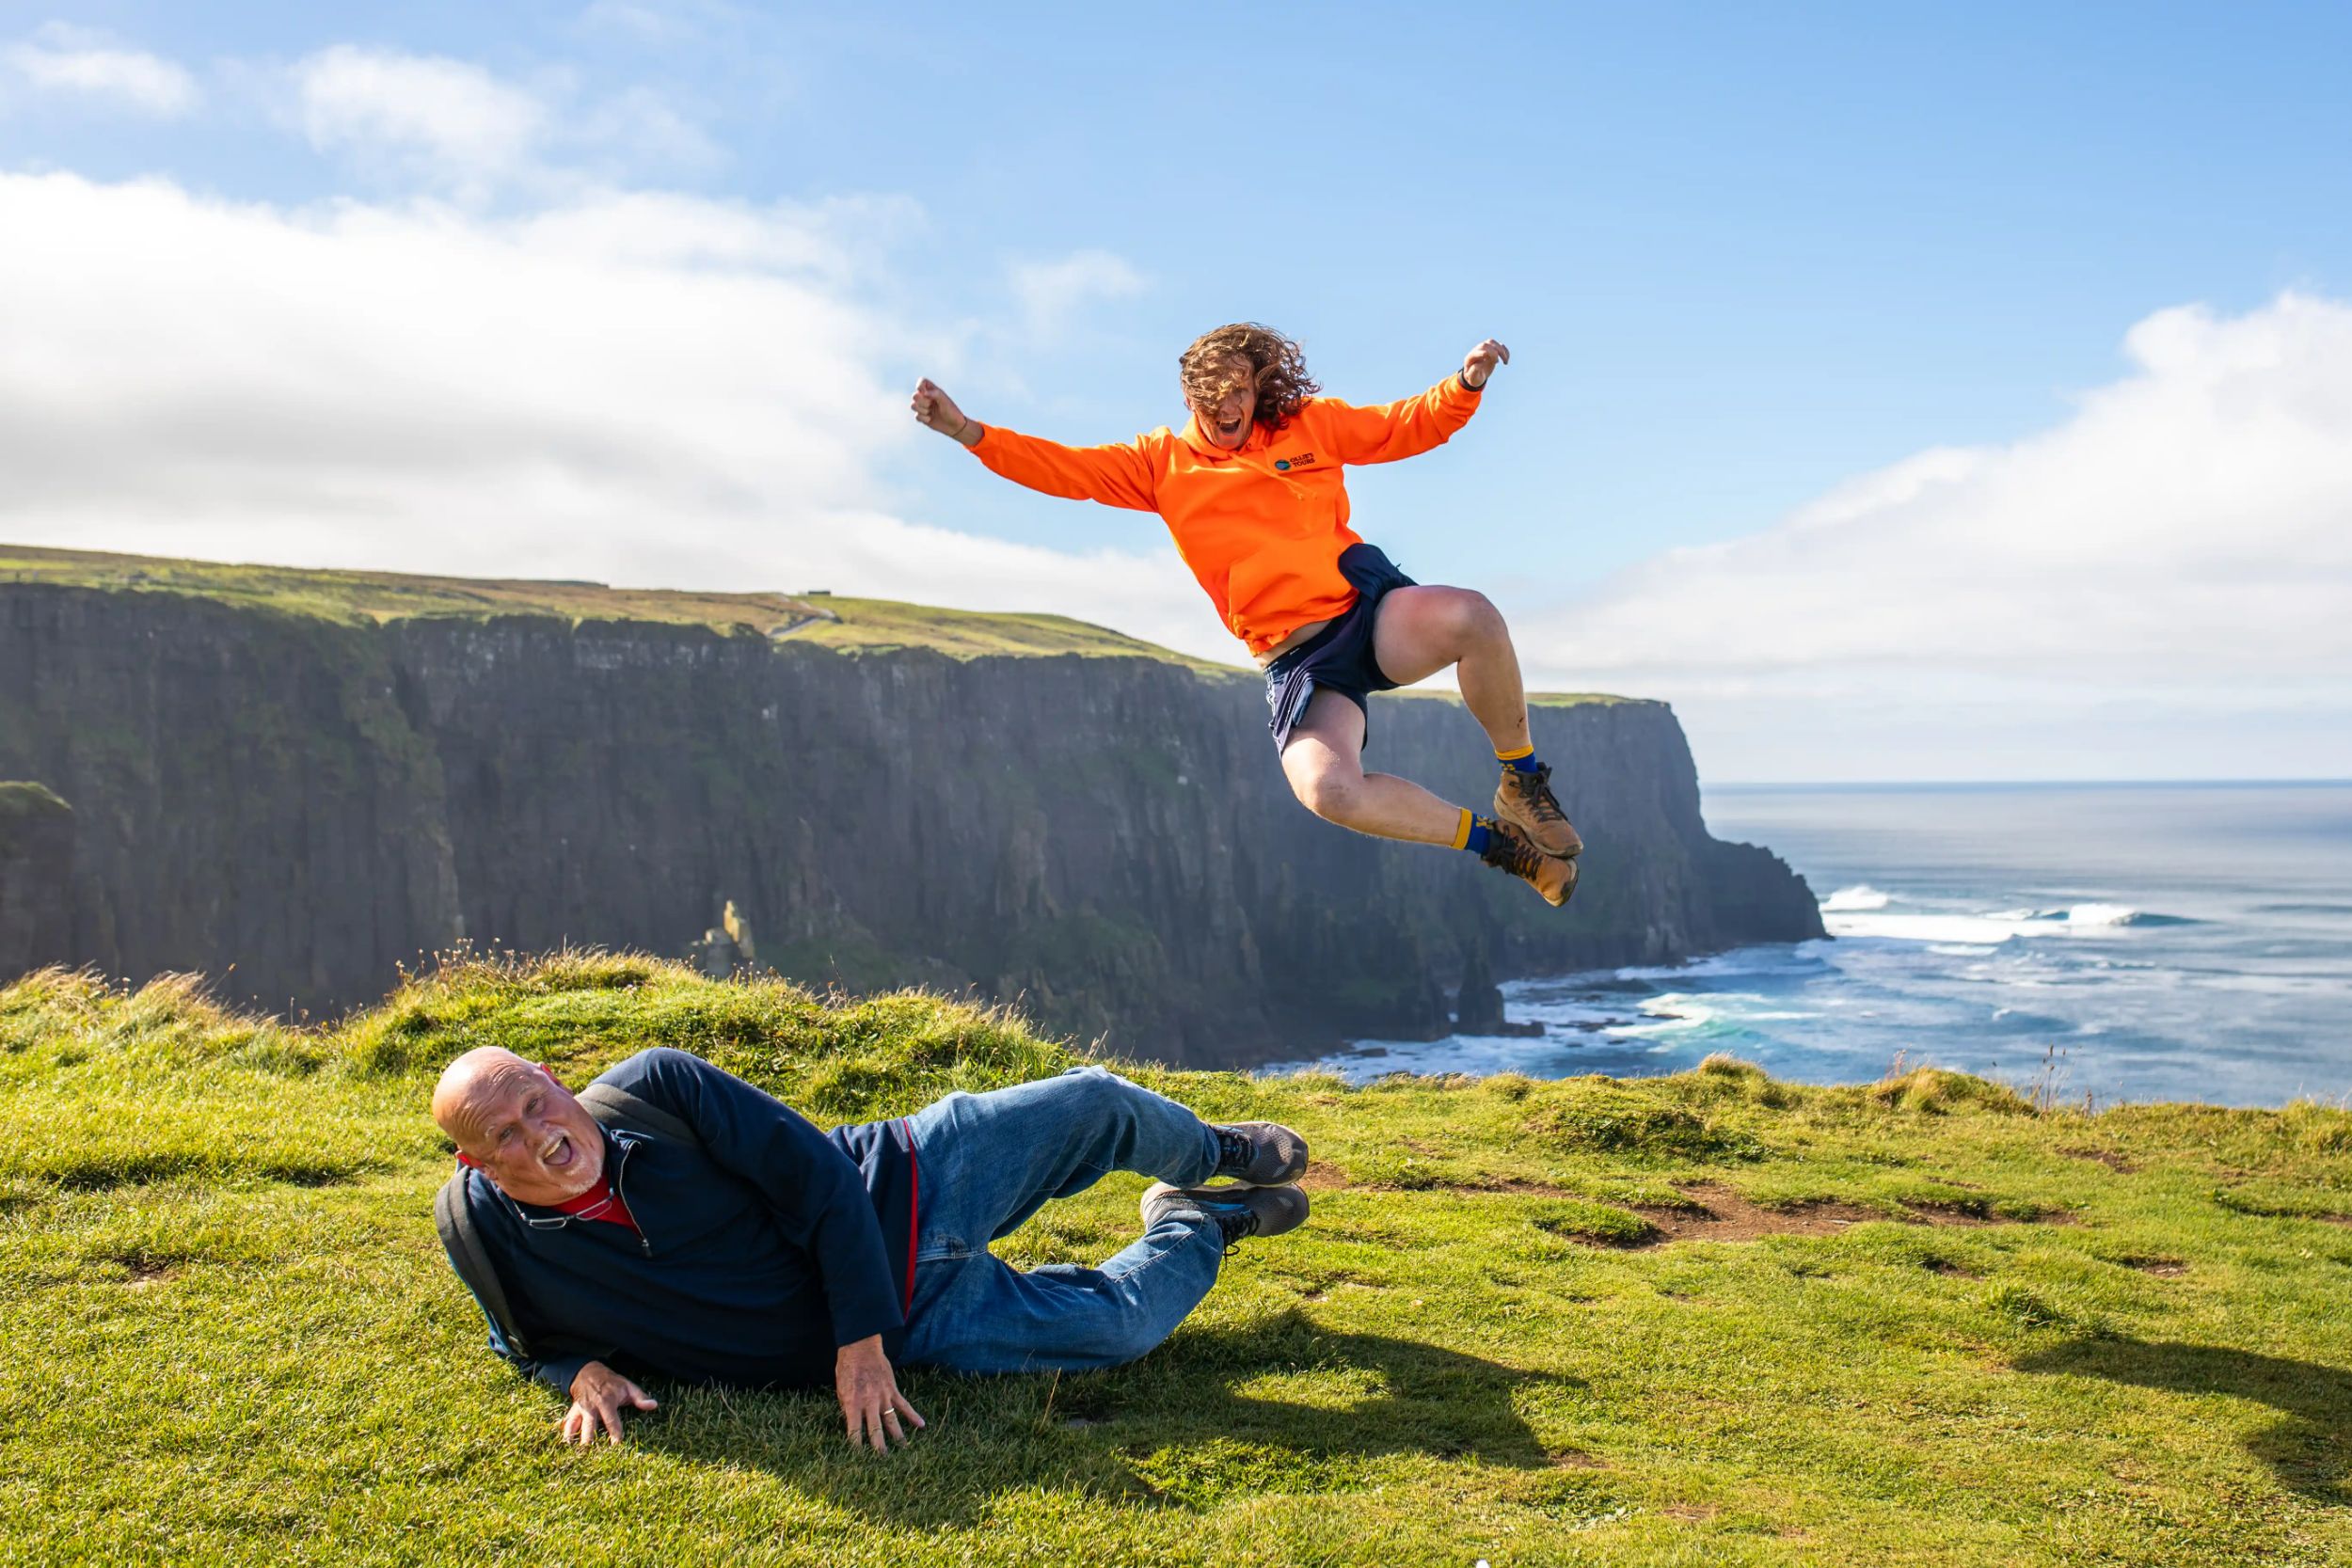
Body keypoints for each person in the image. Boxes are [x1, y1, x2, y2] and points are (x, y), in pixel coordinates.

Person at [911, 324, 1582, 906]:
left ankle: (1521, 780)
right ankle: (1503, 848)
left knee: (1473, 616)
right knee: (1329, 791)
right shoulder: (1160, 464)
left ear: (1257, 384)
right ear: (1188, 399)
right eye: (1211, 397)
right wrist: (967, 431)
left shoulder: (1307, 423)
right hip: (1299, 662)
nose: (1227, 407)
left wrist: (1464, 383)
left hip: (1364, 611)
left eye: (1238, 390)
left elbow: (1402, 426)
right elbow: (1061, 469)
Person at [429, 1045, 1310, 1449]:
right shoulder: (479, 1233)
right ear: (475, 1161)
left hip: (909, 1182)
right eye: (504, 1134)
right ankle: (1196, 1220)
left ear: (552, 1077)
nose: (538, 1133)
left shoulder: (656, 1087)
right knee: (1122, 1330)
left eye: (536, 1101)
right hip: (917, 1320)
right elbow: (524, 1342)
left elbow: (821, 1183)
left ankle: (1211, 1152)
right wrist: (576, 1369)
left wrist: (857, 1340)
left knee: (1092, 1101)